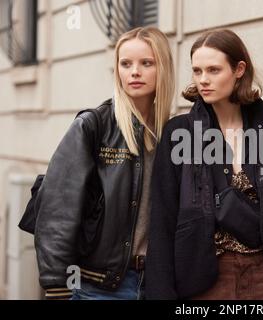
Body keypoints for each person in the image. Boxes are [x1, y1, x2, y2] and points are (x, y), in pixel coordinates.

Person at [145, 29, 263, 299]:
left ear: (239, 69)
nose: (203, 80)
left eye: (213, 70)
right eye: (197, 71)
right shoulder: (179, 134)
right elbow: (162, 220)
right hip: (204, 280)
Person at [34, 26, 175, 300]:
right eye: (126, 64)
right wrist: (56, 285)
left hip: (157, 284)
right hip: (98, 287)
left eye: (146, 63)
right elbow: (57, 208)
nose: (134, 72)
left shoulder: (171, 132)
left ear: (164, 68)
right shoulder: (93, 125)